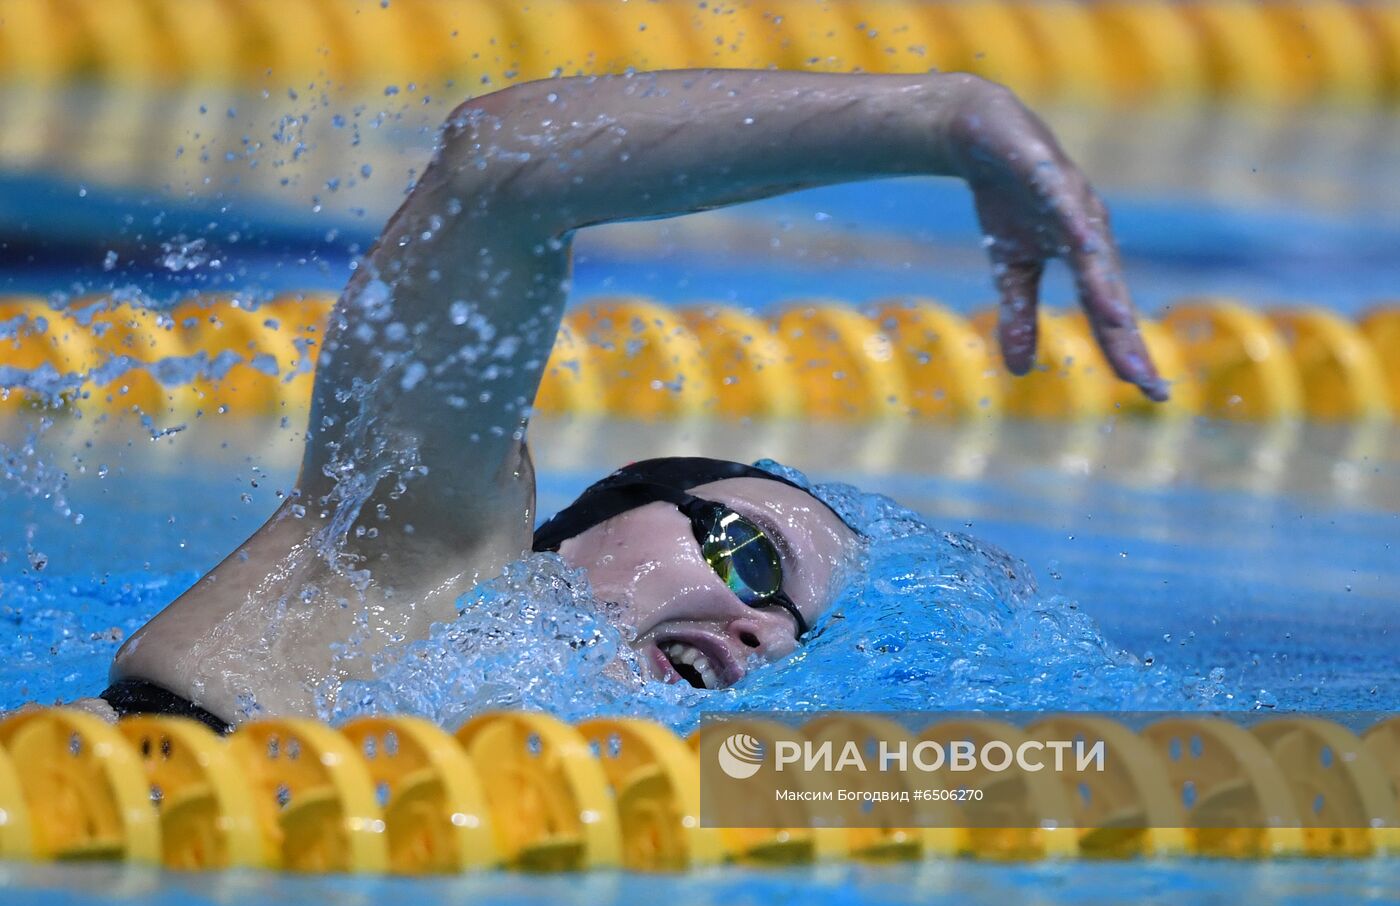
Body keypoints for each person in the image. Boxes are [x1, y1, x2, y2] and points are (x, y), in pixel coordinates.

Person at [74, 69, 1166, 730]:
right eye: (749, 556)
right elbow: (497, 166)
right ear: (588, 519)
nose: (766, 632)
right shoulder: (399, 570)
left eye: (795, 627)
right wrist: (939, 117)